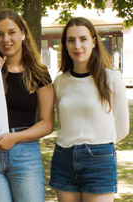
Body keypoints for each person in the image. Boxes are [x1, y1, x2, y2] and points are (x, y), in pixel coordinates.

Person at [0, 9, 54, 202]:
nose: (6, 39)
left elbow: (47, 123)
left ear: (23, 34)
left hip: (25, 154)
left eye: (11, 32)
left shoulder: (39, 73)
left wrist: (15, 138)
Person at [49, 17, 129, 202]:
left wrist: (97, 148)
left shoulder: (110, 78)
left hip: (99, 159)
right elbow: (63, 123)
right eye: (71, 40)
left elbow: (123, 129)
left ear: (94, 42)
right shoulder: (60, 82)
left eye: (83, 39)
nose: (77, 45)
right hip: (64, 158)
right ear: (65, 45)